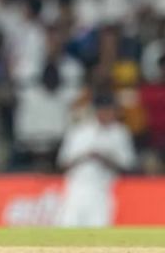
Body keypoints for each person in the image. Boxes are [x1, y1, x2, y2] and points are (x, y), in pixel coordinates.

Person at [55, 91, 136, 227]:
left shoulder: (120, 133)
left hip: (103, 189)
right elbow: (62, 164)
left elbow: (128, 165)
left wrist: (103, 158)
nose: (107, 114)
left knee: (99, 234)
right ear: (97, 111)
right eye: (104, 110)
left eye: (111, 111)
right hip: (75, 187)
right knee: (68, 229)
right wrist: (84, 157)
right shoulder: (79, 131)